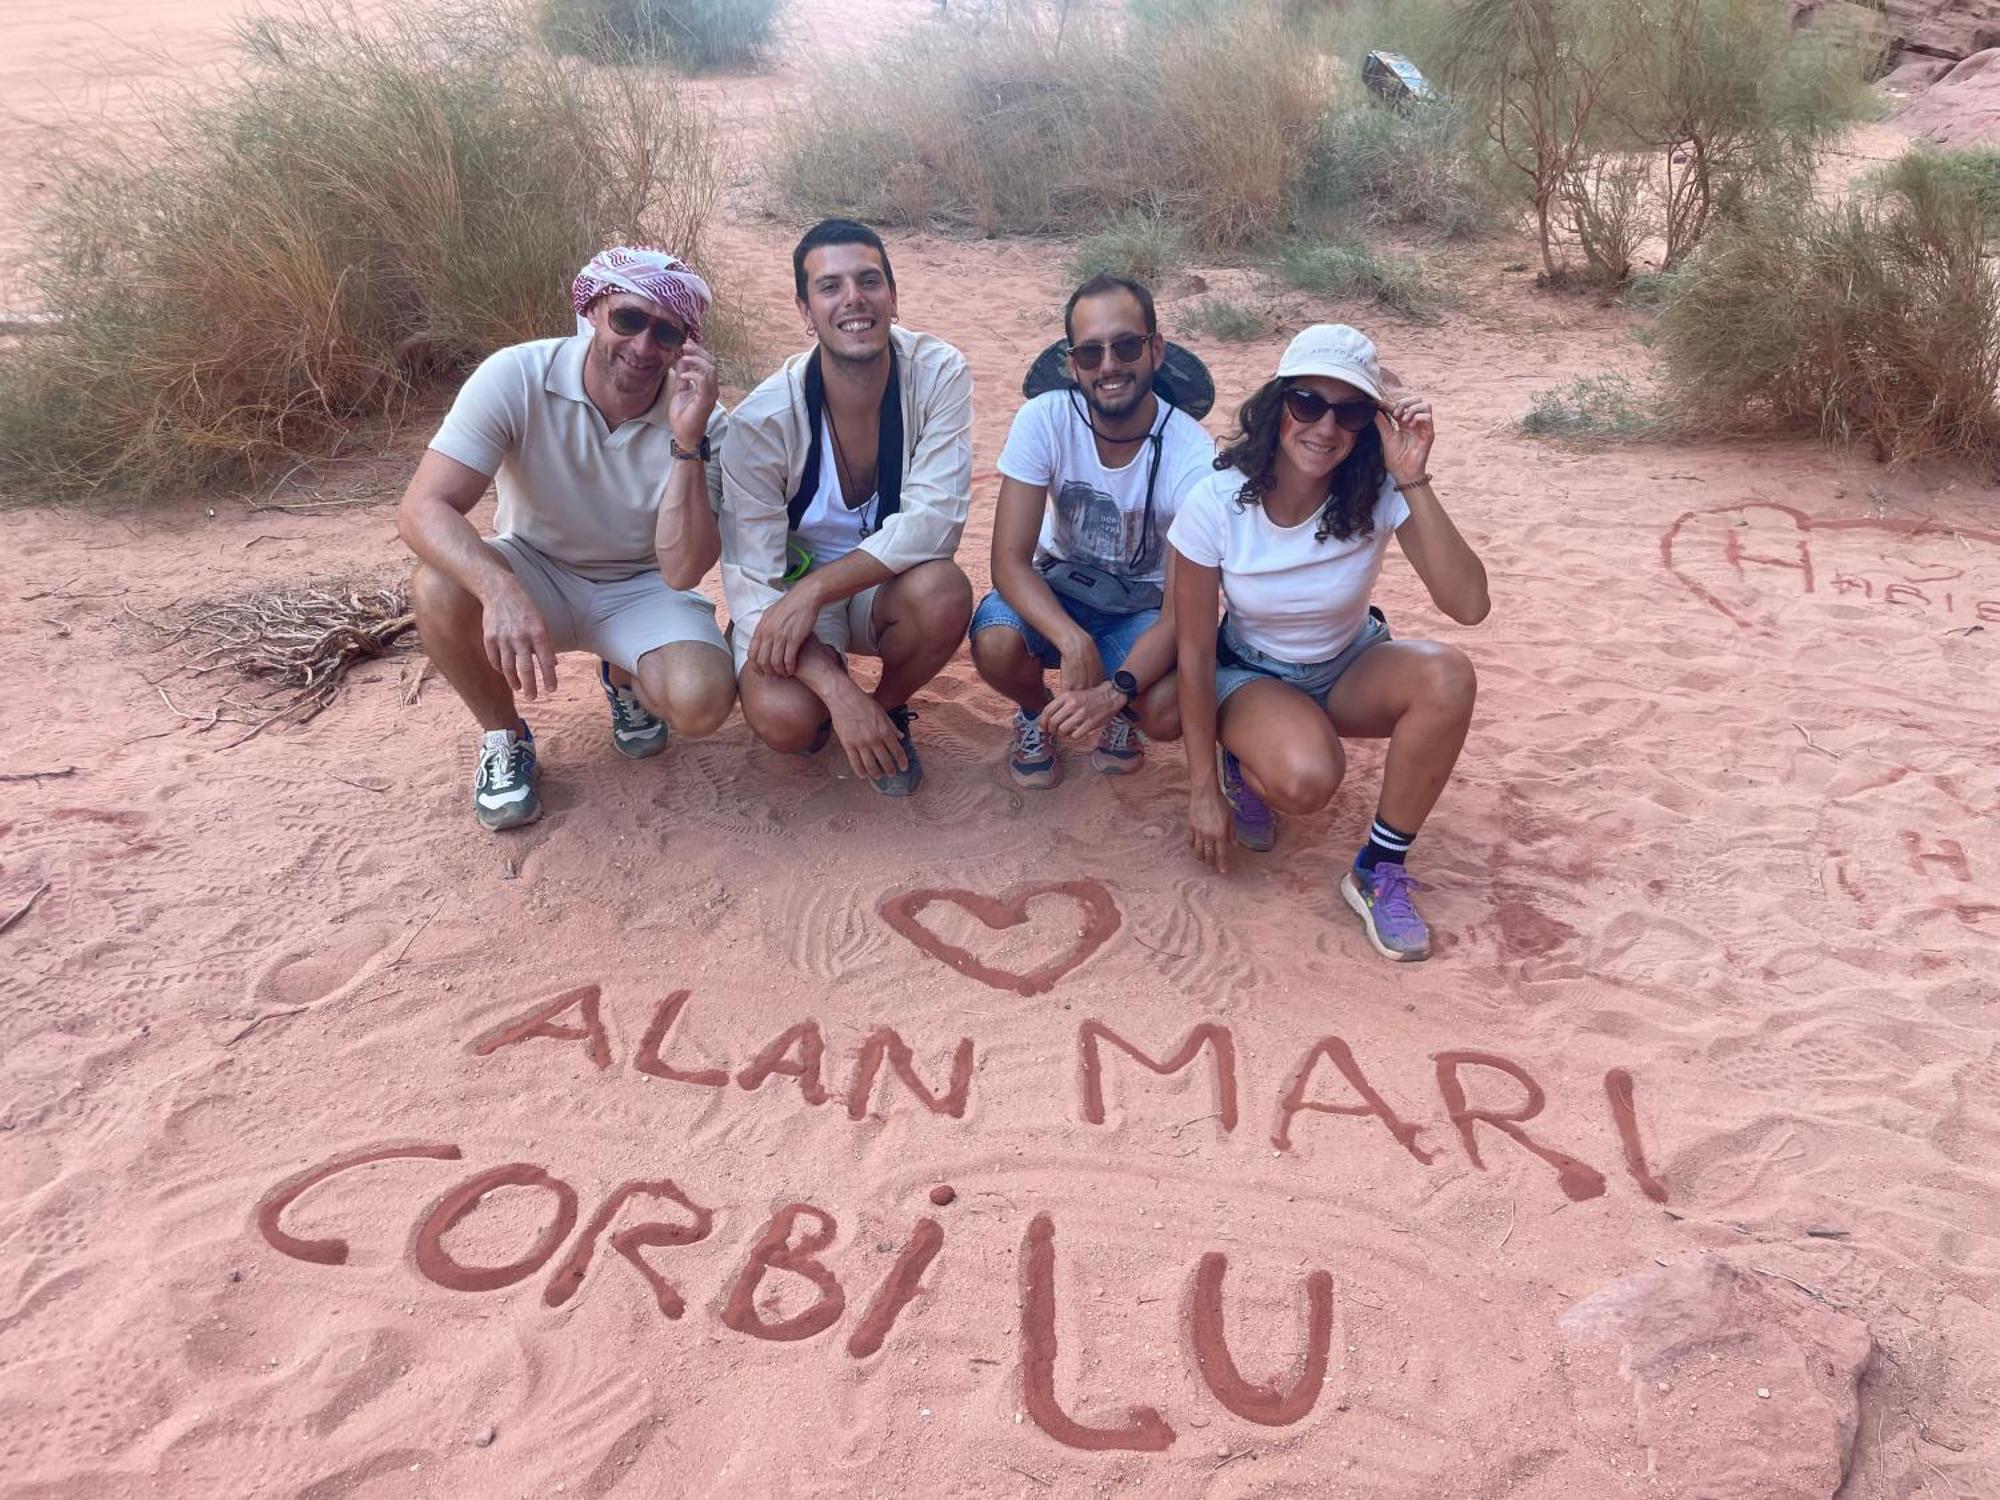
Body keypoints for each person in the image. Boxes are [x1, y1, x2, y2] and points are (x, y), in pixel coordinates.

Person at [1169, 325, 1489, 961]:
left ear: (1370, 423)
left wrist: (1413, 477)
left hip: (1347, 663)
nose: (1325, 428)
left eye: (1349, 412)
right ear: (1277, 405)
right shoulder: (1217, 500)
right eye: (1308, 403)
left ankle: (1378, 868)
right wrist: (1202, 787)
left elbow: (1469, 605)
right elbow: (1194, 650)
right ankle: (1245, 759)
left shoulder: (1376, 490)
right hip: (1252, 670)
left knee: (1448, 676)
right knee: (1307, 782)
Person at [398, 247, 735, 831]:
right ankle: (505, 738)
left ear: (684, 345)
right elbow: (422, 507)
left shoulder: (707, 421)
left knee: (702, 702)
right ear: (594, 310)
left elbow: (682, 571)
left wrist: (686, 442)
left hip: (641, 583)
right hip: (534, 567)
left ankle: (623, 674)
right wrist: (498, 589)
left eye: (666, 333)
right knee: (437, 586)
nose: (643, 347)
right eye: (628, 320)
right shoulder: (517, 375)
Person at [720, 219, 974, 796]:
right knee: (787, 720)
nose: (854, 299)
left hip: (875, 586)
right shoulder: (761, 423)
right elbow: (753, 575)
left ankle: (885, 713)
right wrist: (836, 689)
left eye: (869, 280)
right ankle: (832, 701)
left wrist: (819, 591)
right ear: (806, 311)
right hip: (787, 586)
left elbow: (936, 522)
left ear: (892, 294)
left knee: (944, 592)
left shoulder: (938, 374)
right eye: (830, 287)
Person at [970, 274, 1212, 787]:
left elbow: (1182, 609)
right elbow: (1009, 562)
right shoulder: (1044, 419)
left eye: (1126, 346)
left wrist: (1118, 688)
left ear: (1156, 349)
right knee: (994, 642)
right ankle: (1041, 713)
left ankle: (1118, 716)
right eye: (1089, 353)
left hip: (1142, 608)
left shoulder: (1192, 455)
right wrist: (1069, 637)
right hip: (1057, 585)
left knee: (1164, 708)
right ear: (1072, 363)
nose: (1109, 367)